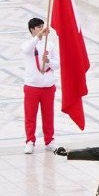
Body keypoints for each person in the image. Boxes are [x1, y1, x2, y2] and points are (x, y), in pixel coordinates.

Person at [22, 17, 59, 154]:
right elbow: (27, 50)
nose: (42, 29)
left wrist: (48, 61)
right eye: (39, 27)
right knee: (30, 115)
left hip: (48, 86)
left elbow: (57, 65)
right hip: (32, 86)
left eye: (43, 26)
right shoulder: (28, 44)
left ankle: (49, 141)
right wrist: (38, 37)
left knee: (48, 114)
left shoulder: (50, 45)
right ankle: (30, 141)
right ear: (32, 29)